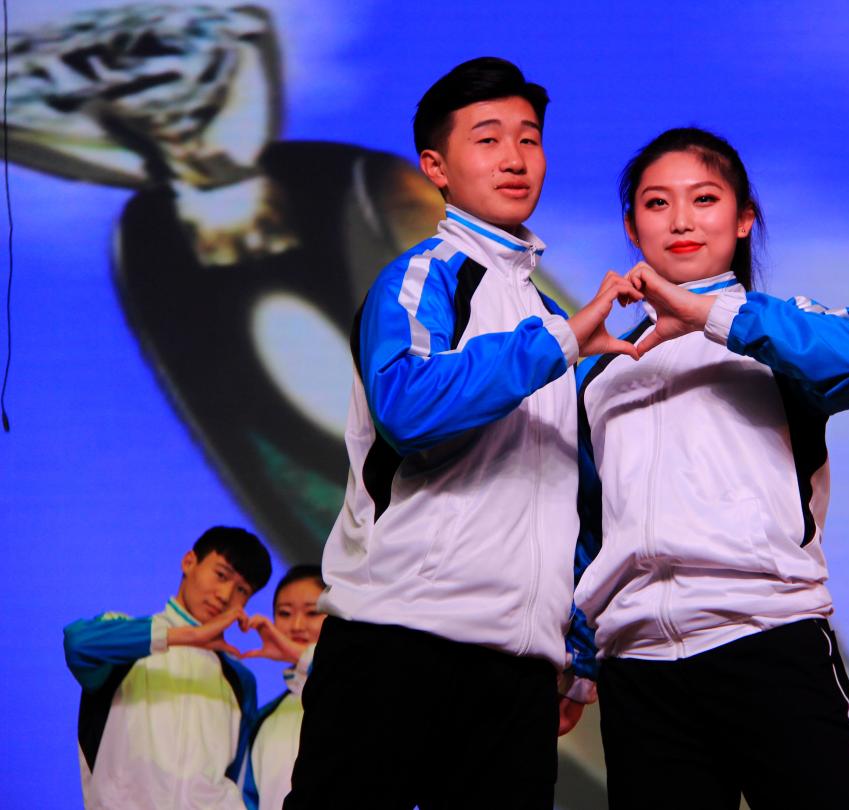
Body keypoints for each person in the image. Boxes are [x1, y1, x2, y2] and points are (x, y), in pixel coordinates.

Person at [284, 57, 638, 810]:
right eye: (488, 138)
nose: (515, 158)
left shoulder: (551, 319)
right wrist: (558, 346)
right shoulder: (425, 279)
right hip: (396, 640)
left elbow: (571, 497)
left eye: (529, 139)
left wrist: (575, 655)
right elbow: (407, 407)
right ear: (435, 167)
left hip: (518, 669)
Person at [567, 127, 849, 810]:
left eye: (705, 199)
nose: (681, 220)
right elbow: (591, 527)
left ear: (744, 220)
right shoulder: (601, 374)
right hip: (640, 672)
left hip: (767, 638)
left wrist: (706, 313)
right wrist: (580, 661)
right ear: (632, 228)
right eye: (657, 203)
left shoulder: (776, 335)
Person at [63, 525, 272, 809]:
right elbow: (77, 644)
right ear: (189, 562)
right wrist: (188, 636)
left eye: (242, 590)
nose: (225, 595)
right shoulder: (121, 636)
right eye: (221, 575)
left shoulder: (239, 679)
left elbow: (237, 779)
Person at [241, 565, 326, 810]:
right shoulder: (264, 719)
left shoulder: (361, 694)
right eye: (285, 613)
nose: (297, 625)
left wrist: (299, 654)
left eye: (312, 612)